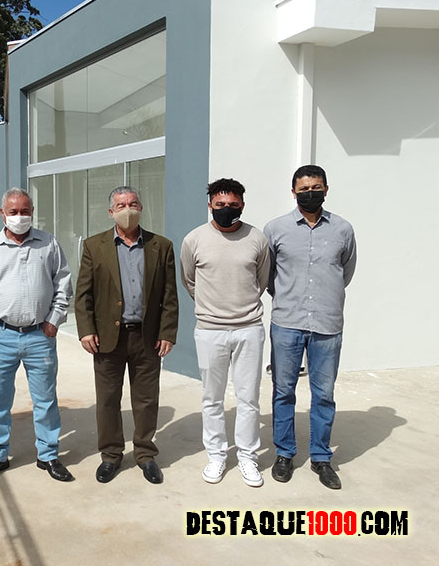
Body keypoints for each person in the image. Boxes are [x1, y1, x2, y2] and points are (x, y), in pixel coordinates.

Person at [75, 186, 178, 485]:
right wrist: (86, 330)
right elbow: (83, 294)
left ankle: (145, 453)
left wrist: (167, 332)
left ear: (141, 208)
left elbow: (169, 295)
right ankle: (111, 454)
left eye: (133, 204)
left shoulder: (161, 246)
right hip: (108, 337)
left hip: (147, 337)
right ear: (111, 212)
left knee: (146, 399)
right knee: (108, 399)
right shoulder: (94, 246)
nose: (127, 210)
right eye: (120, 205)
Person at [0, 188, 73, 483]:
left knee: (45, 399)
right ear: (2, 214)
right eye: (13, 212)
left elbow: (63, 284)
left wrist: (54, 320)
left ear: (32, 212)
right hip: (0, 335)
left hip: (40, 335)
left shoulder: (48, 243)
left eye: (25, 211)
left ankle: (48, 455)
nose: (19, 217)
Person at [264, 165, 357, 490]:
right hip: (287, 323)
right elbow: (269, 275)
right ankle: (284, 454)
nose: (310, 193)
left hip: (327, 324)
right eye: (304, 189)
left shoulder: (343, 229)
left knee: (324, 394)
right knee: (283, 391)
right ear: (293, 192)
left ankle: (320, 457)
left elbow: (345, 271)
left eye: (316, 188)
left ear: (326, 189)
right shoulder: (276, 229)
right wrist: (289, 296)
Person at [180, 179, 269, 487]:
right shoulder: (194, 239)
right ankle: (217, 455)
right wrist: (211, 305)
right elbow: (189, 280)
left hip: (249, 328)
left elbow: (262, 279)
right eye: (220, 205)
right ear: (210, 206)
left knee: (249, 399)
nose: (226, 210)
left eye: (232, 205)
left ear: (242, 205)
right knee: (212, 398)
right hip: (210, 330)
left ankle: (247, 456)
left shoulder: (257, 238)